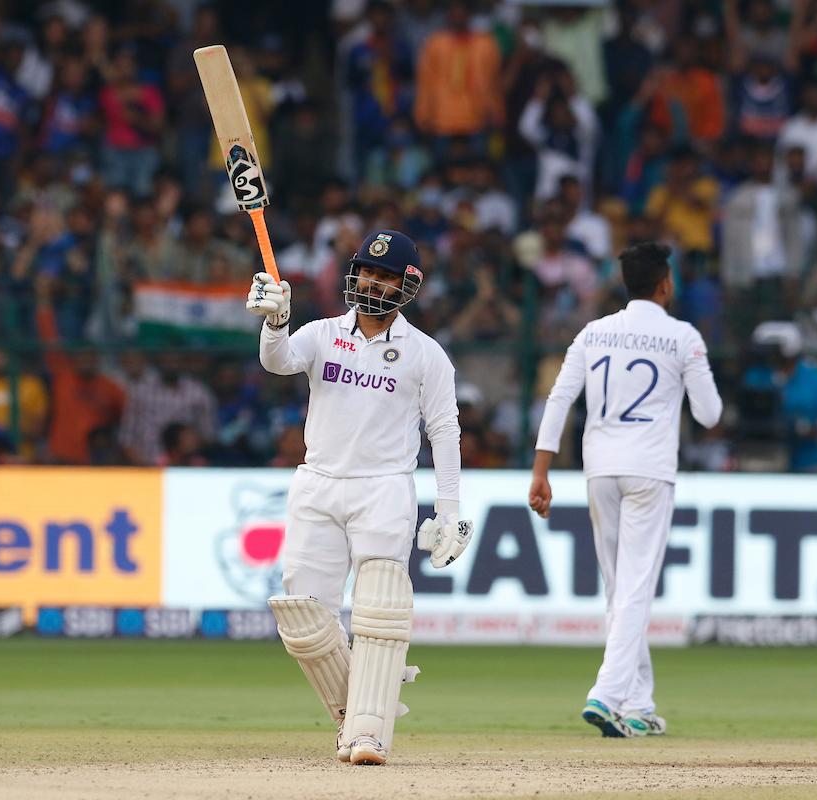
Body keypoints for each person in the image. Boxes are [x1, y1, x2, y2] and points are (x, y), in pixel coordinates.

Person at [247, 230, 472, 766]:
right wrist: (275, 321)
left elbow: (444, 429)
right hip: (318, 483)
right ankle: (360, 711)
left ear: (406, 285)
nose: (371, 281)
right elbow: (277, 362)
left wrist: (450, 511)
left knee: (380, 611)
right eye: (366, 272)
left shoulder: (426, 354)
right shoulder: (323, 333)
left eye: (384, 275)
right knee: (303, 617)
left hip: (384, 488)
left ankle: (368, 734)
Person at [528, 242, 722, 738]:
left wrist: (541, 470)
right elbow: (710, 414)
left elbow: (559, 398)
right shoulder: (682, 336)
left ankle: (639, 702)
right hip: (650, 470)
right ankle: (608, 694)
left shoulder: (595, 332)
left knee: (619, 588)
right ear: (665, 284)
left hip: (600, 468)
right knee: (636, 587)